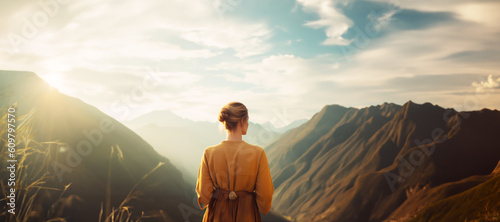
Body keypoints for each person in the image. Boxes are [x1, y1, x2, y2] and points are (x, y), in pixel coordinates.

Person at [196, 102, 274, 222]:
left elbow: (204, 195)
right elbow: (265, 196)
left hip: (217, 216)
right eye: (247, 120)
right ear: (242, 121)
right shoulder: (258, 153)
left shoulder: (209, 153)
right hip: (247, 215)